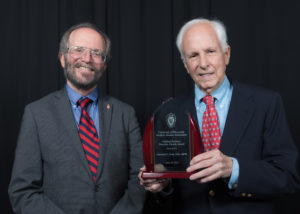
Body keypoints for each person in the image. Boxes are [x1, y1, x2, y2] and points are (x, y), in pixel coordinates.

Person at [139, 18, 300, 214]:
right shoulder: (168, 112)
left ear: (226, 54)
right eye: (193, 55)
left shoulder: (266, 103)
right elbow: (168, 186)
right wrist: (161, 185)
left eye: (210, 52)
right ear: (185, 64)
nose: (203, 63)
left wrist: (234, 169)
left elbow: (288, 177)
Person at [8, 22, 145, 214]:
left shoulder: (125, 114)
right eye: (78, 50)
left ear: (104, 64)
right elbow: (23, 191)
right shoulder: (36, 114)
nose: (87, 58)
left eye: (97, 53)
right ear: (63, 58)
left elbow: (140, 180)